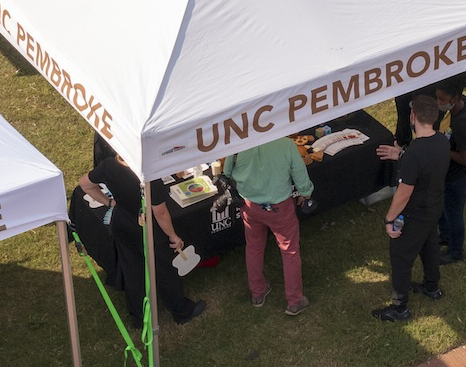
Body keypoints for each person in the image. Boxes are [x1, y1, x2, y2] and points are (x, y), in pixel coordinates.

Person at [77, 150, 208, 327]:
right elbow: (160, 212)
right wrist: (173, 236)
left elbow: (84, 184)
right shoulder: (149, 177)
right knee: (163, 270)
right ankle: (181, 311)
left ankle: (138, 317)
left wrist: (109, 203)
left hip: (122, 223)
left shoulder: (109, 165)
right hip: (146, 229)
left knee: (132, 270)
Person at [372, 96, 449, 322]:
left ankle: (399, 307)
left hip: (415, 212)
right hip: (434, 206)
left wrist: (389, 219)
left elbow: (404, 193)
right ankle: (432, 287)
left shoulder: (415, 153)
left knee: (400, 256)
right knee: (429, 244)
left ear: (413, 116)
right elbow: (427, 165)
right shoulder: (442, 141)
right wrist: (402, 156)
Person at [227, 134, 313, 315]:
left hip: (249, 205)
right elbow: (299, 173)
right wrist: (305, 192)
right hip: (279, 206)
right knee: (290, 251)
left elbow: (226, 172)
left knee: (254, 247)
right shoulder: (286, 143)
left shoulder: (237, 142)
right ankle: (295, 300)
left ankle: (257, 292)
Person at [432, 75, 466, 265]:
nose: (439, 103)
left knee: (453, 213)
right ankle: (445, 236)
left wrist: (442, 147)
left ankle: (455, 251)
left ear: (454, 98)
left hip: (459, 177)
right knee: (443, 207)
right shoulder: (462, 104)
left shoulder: (462, 123)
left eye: (442, 100)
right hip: (450, 174)